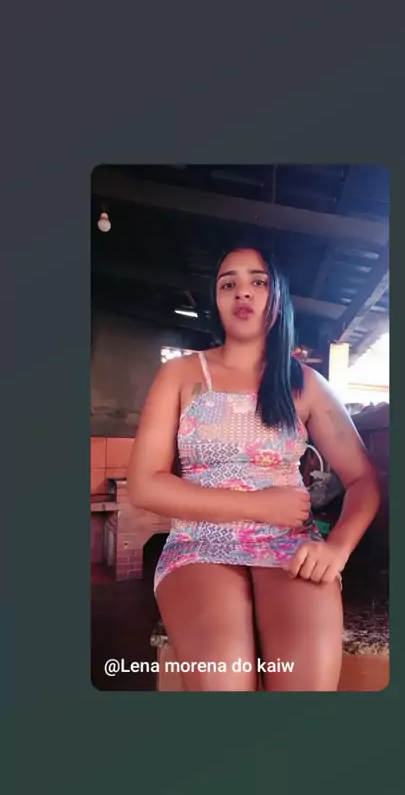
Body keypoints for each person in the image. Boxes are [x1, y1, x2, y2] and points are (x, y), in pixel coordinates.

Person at [128, 244, 380, 691]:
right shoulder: (180, 375)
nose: (242, 292)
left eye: (257, 282)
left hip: (289, 547)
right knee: (224, 680)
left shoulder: (305, 384)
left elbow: (363, 480)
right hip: (199, 543)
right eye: (229, 284)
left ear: (277, 297)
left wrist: (337, 549)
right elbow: (145, 486)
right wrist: (259, 506)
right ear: (217, 300)